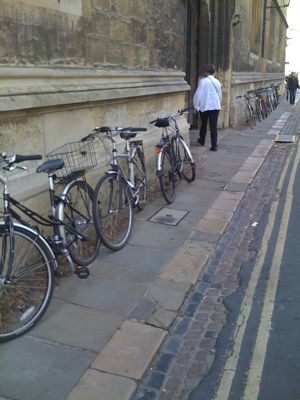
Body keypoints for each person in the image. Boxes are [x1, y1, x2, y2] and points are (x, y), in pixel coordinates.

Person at [193, 64, 222, 151]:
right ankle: (214, 146)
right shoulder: (217, 81)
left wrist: (196, 105)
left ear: (206, 72)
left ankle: (202, 140)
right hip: (215, 106)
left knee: (204, 124)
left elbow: (198, 94)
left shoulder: (203, 81)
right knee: (213, 126)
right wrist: (218, 103)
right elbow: (219, 94)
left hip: (205, 106)